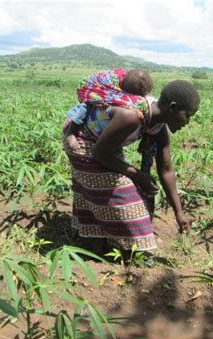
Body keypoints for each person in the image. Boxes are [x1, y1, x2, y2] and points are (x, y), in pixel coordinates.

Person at [63, 79, 200, 252]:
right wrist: (137, 175)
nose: (187, 122)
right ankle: (117, 250)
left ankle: (100, 244)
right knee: (122, 195)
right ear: (171, 107)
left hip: (105, 142)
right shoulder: (131, 116)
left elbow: (166, 170)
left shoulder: (158, 126)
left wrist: (179, 214)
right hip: (82, 138)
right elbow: (100, 154)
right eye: (187, 115)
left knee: (108, 188)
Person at [64, 68, 154, 150]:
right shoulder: (110, 83)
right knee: (85, 107)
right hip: (97, 91)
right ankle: (71, 133)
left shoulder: (129, 98)